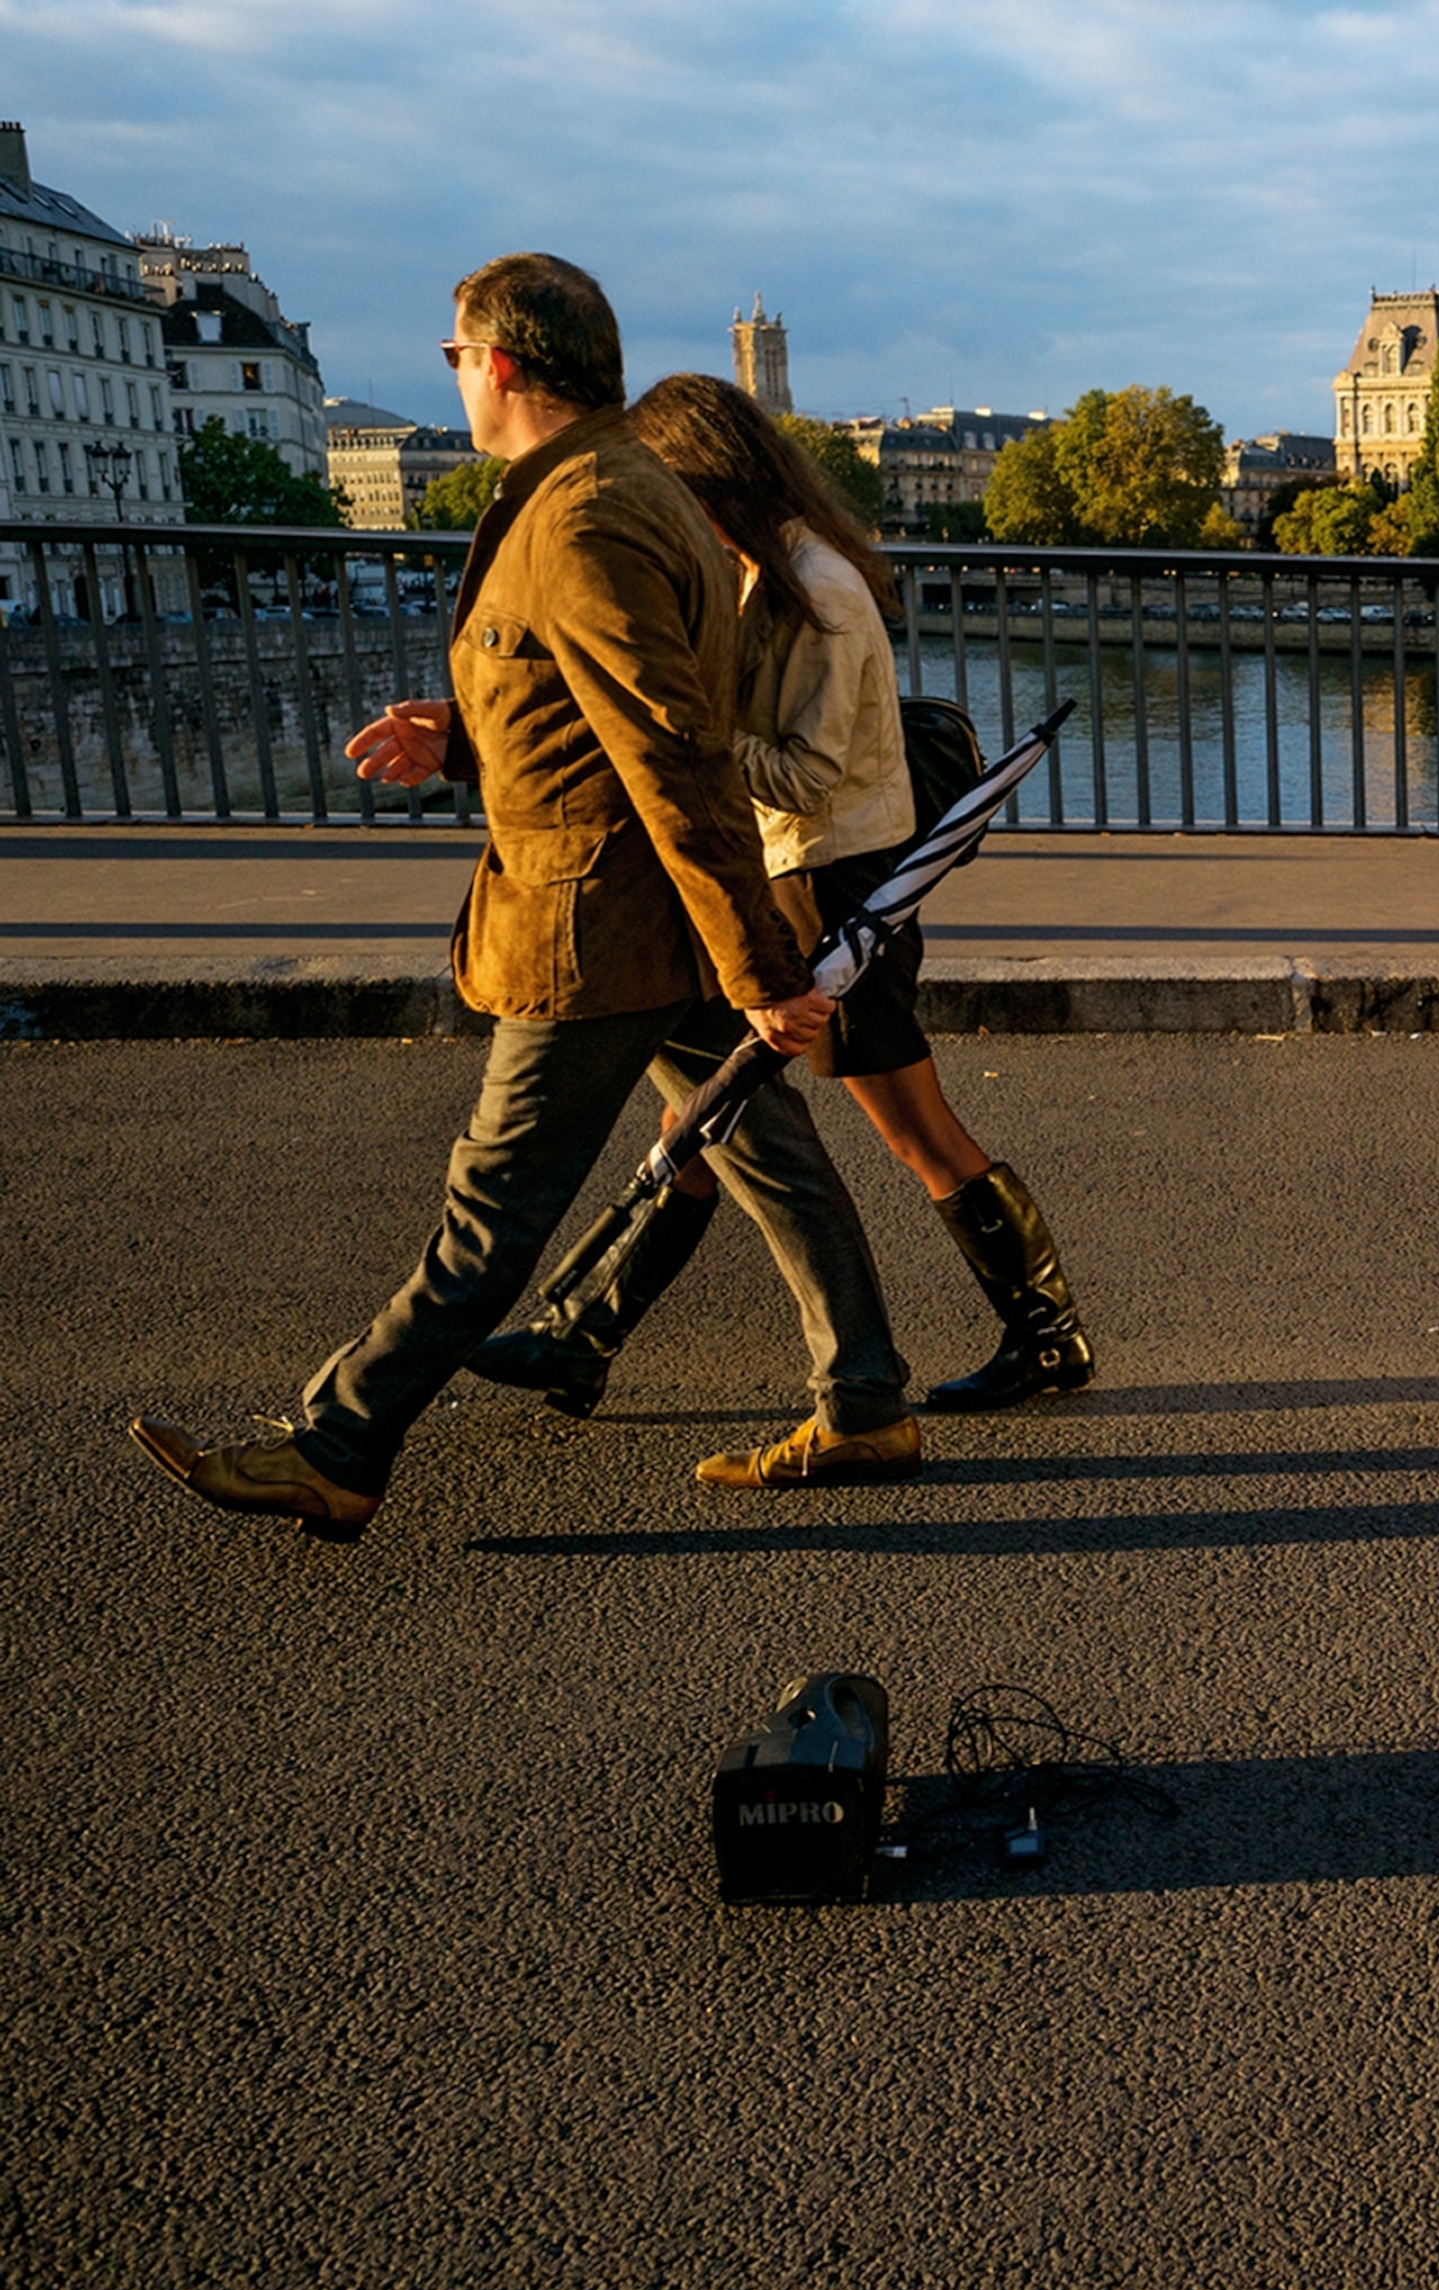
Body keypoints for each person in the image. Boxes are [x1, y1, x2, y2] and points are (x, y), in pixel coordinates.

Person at [130, 253, 920, 1539]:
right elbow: (604, 713)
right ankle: (867, 1399)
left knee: (490, 1207)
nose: (455, 376)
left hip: (595, 925)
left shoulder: (586, 511)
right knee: (770, 1159)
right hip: (644, 915)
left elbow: (672, 753)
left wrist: (767, 971)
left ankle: (339, 1442)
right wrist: (465, 738)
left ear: (496, 363)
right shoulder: (618, 487)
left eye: (455, 357)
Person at [463, 373, 1093, 1416]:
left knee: (912, 1131)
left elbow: (803, 775)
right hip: (793, 877)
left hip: (840, 890)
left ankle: (1047, 1338)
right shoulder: (763, 573)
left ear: (706, 477)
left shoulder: (819, 589)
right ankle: (581, 1332)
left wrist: (687, 736)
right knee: (707, 1111)